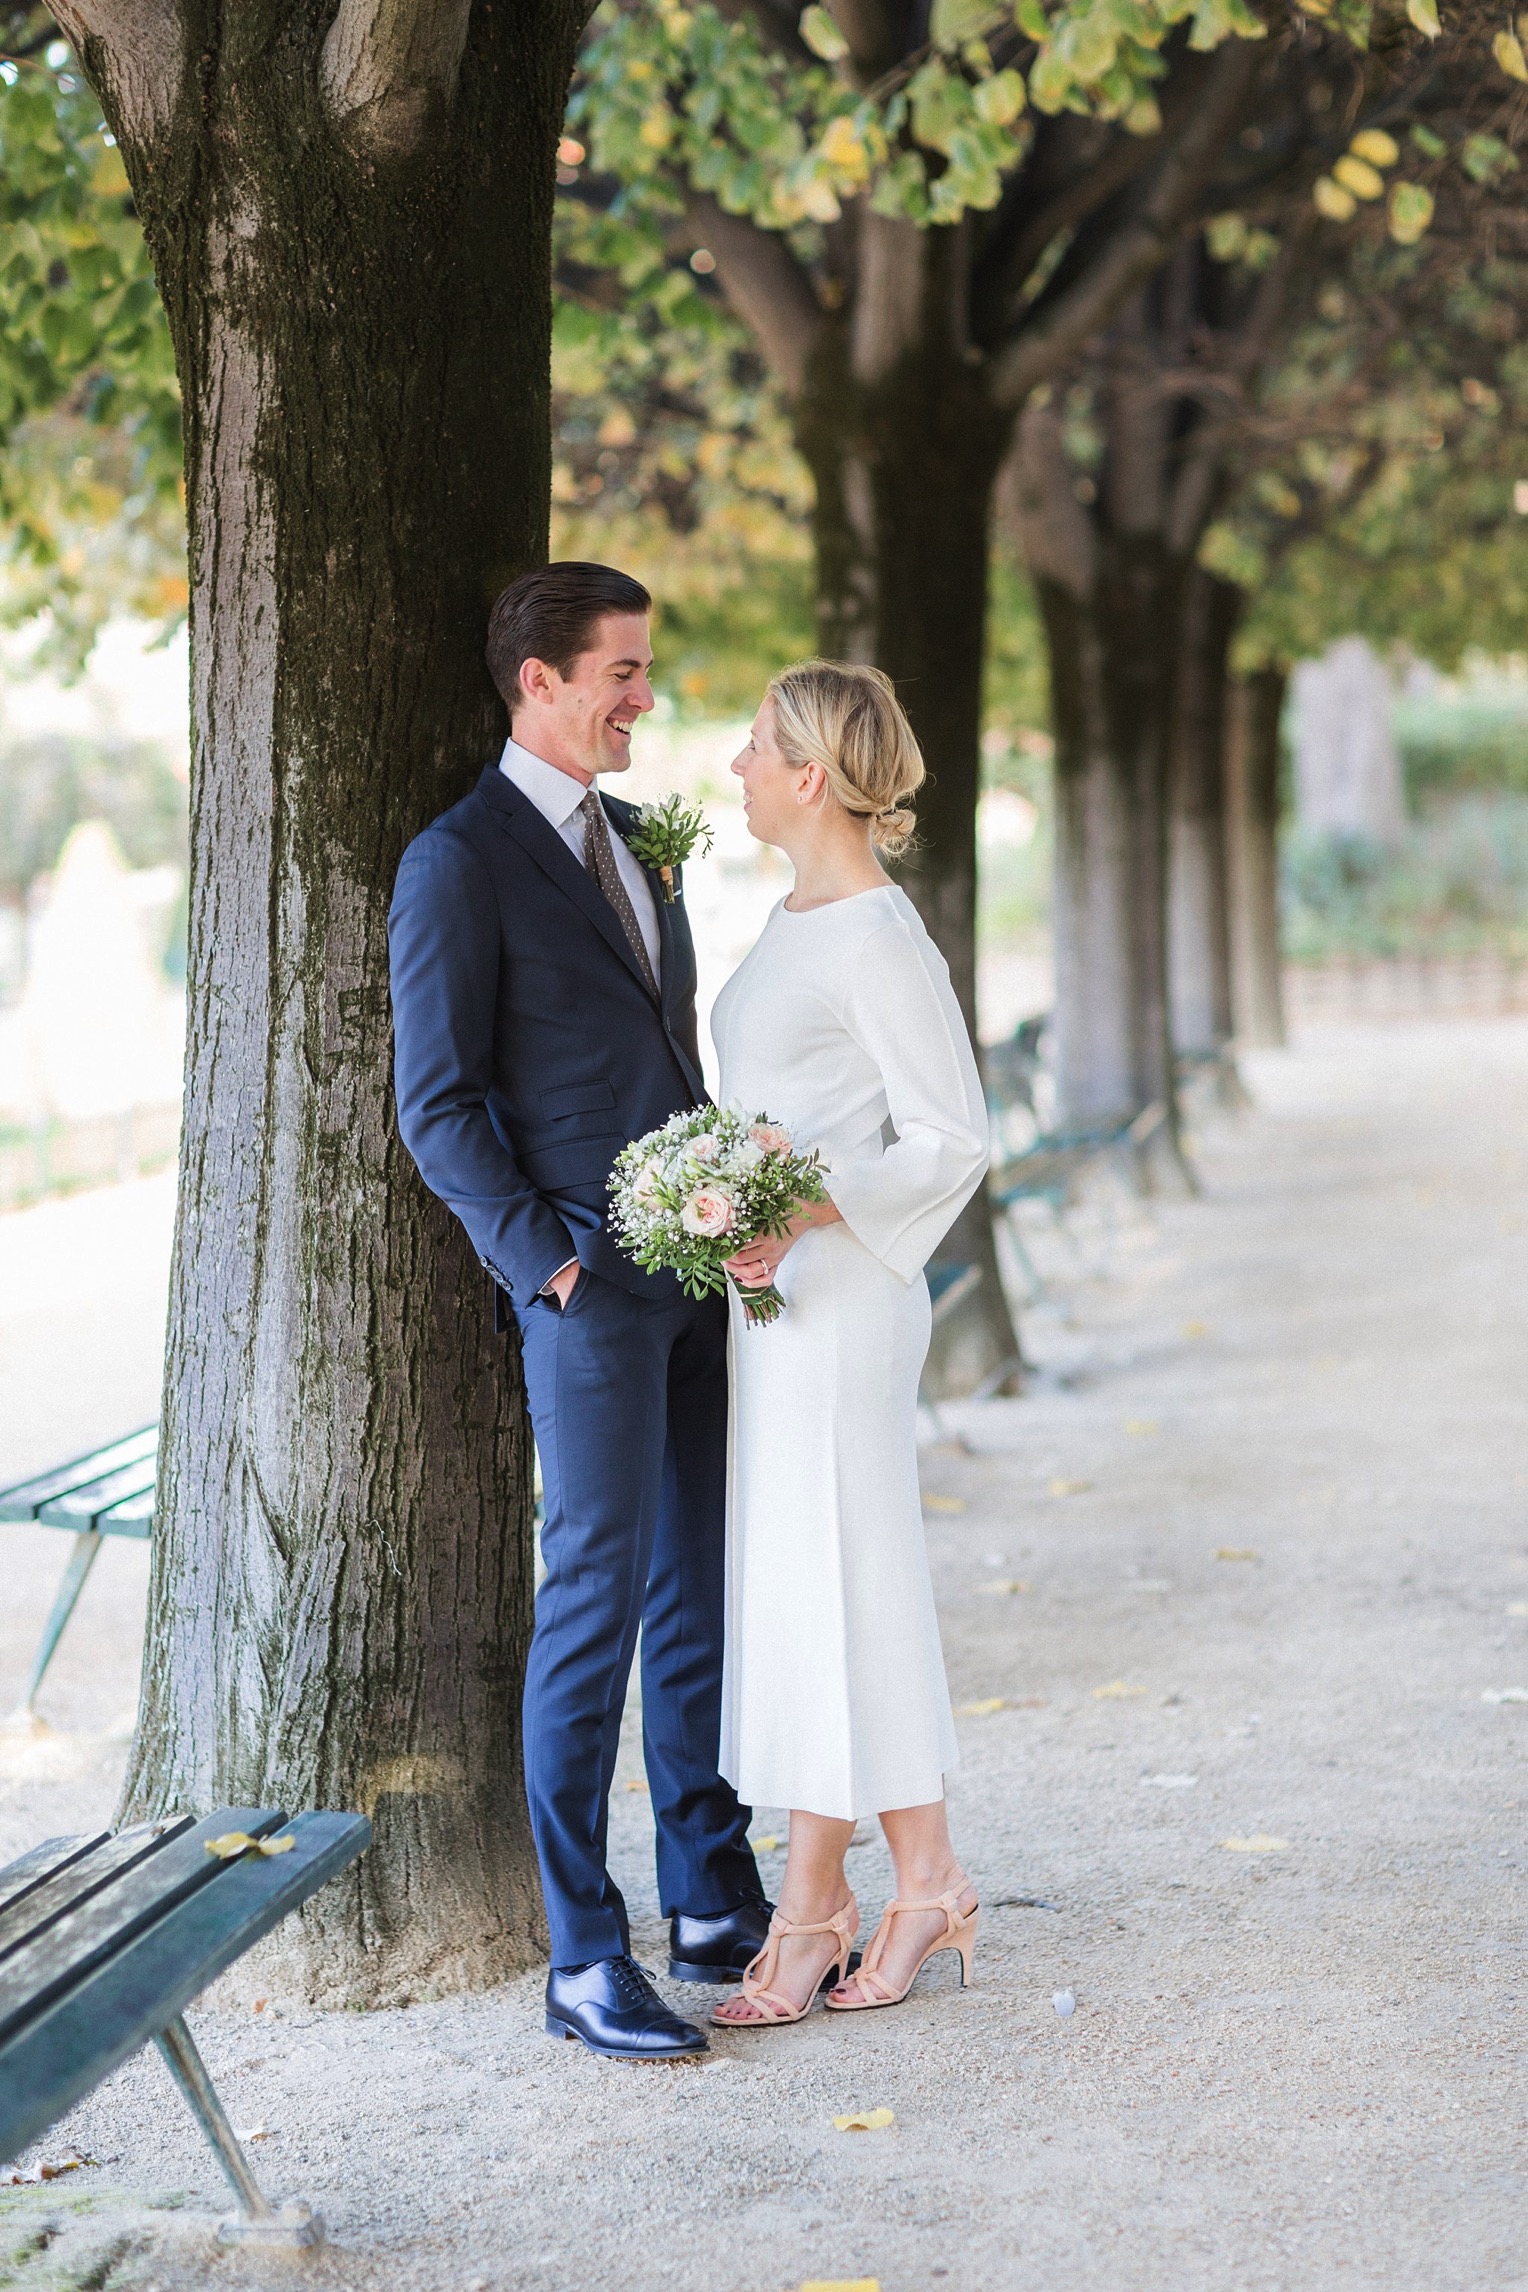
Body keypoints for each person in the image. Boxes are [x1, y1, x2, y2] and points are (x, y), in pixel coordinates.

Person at [388, 563, 766, 2062]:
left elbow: (659, 1054)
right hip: (584, 1298)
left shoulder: (634, 845)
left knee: (695, 1601)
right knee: (594, 1612)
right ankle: (582, 1959)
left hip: (692, 1279)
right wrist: (546, 1265)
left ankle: (711, 1892)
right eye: (621, 671)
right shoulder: (457, 861)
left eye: (644, 669)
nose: (644, 698)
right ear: (538, 680)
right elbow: (439, 1104)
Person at [708, 661, 988, 2027]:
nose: (736, 768)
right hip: (783, 1302)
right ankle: (868, 1890)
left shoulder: (876, 934)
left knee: (844, 1580)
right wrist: (732, 1207)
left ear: (810, 777)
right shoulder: (798, 916)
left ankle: (849, 1898)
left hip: (848, 1299)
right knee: (813, 1586)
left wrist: (802, 1201)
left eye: (757, 748)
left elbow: (952, 1135)